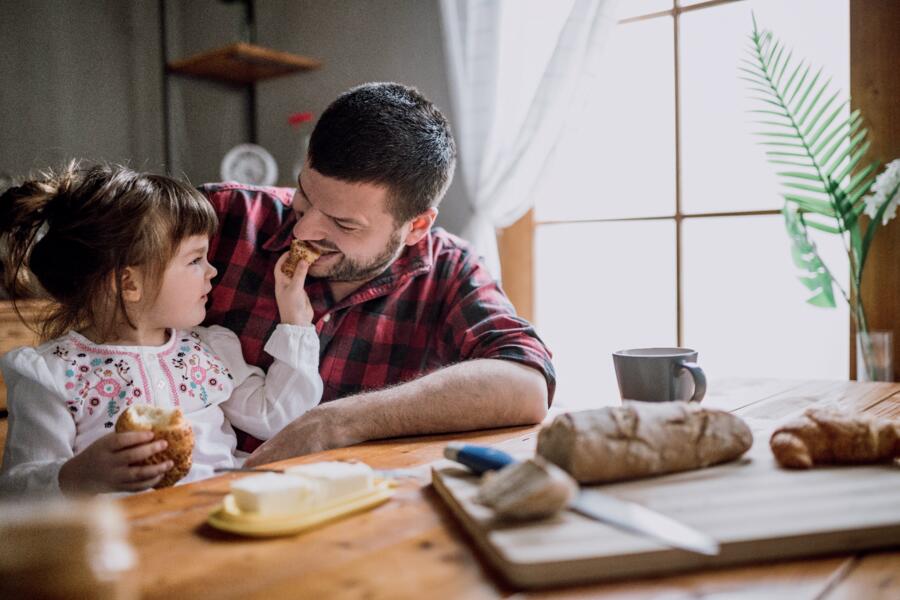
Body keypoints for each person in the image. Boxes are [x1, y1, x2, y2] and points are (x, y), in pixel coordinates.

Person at [201, 82, 556, 466]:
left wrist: (336, 422)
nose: (302, 232)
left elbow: (526, 385)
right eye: (303, 197)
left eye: (343, 224)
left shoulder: (450, 270)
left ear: (417, 226)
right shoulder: (222, 217)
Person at [0, 163, 322, 495]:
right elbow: (15, 494)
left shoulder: (209, 350)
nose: (212, 271)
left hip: (218, 523)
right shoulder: (51, 375)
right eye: (195, 260)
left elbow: (279, 418)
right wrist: (75, 476)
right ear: (128, 283)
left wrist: (295, 322)